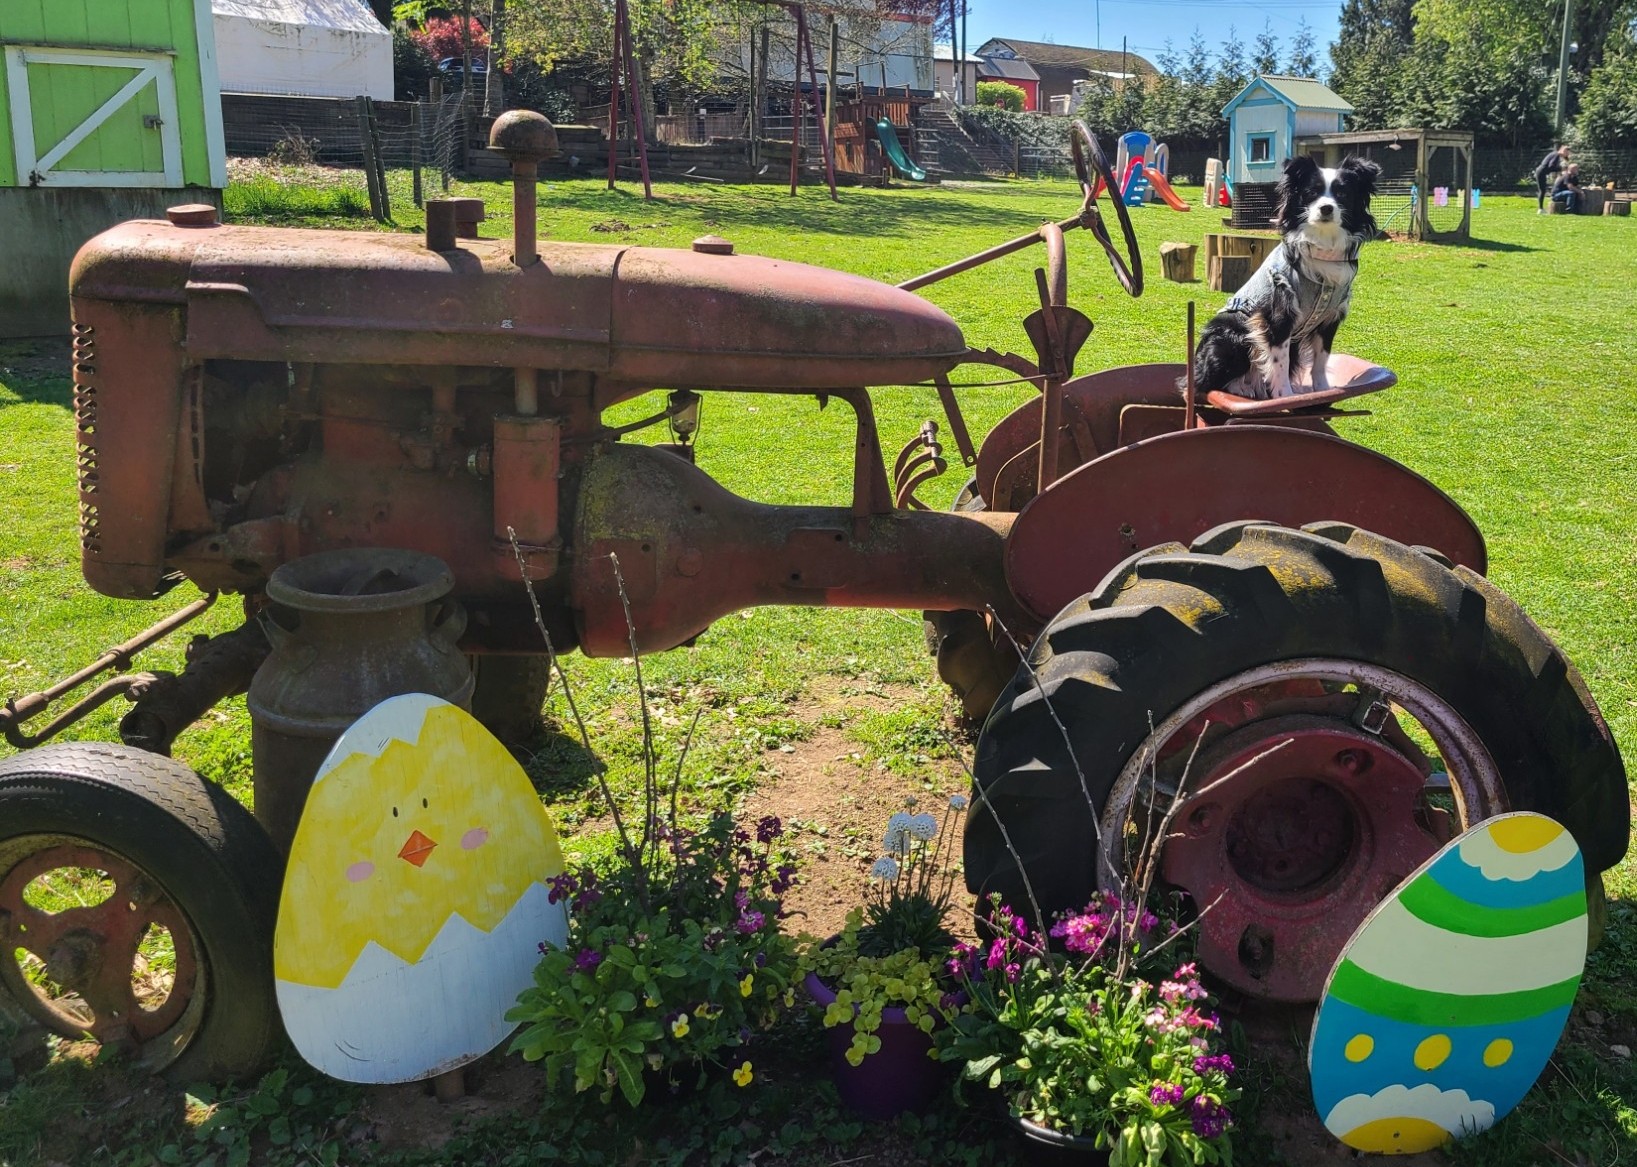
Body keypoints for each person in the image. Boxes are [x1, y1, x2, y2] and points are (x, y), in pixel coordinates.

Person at [1534, 145, 1570, 212]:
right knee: (1542, 191)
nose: (1567, 155)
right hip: (1541, 172)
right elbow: (1551, 166)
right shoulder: (1556, 155)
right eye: (1567, 153)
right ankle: (1540, 209)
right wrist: (1561, 168)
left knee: (1542, 190)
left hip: (1542, 173)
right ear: (1563, 151)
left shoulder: (1555, 154)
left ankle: (1541, 208)